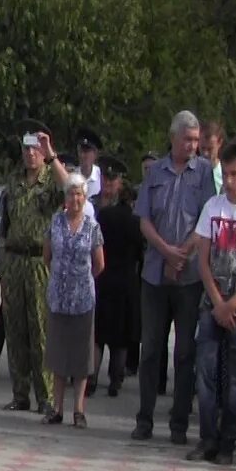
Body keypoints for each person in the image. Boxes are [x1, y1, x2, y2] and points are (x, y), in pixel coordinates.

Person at [132, 111, 213, 445]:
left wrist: (183, 253)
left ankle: (179, 424)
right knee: (150, 349)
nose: (192, 146)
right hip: (154, 274)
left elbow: (207, 218)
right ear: (173, 138)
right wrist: (166, 250)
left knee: (184, 352)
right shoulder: (155, 173)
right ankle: (144, 420)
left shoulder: (205, 173)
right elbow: (144, 220)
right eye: (187, 140)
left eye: (196, 140)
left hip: (190, 275)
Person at [188, 137, 236, 465]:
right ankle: (207, 439)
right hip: (211, 304)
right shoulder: (213, 207)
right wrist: (218, 302)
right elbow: (203, 260)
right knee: (205, 374)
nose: (231, 180)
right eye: (227, 173)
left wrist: (232, 305)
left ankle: (227, 444)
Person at [0, 122, 69, 419]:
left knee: (40, 329)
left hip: (40, 260)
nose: (30, 153)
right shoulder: (13, 182)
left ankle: (46, 396)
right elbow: (5, 224)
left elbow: (70, 189)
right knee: (15, 330)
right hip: (14, 260)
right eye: (26, 148)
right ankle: (20, 393)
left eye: (34, 148)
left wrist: (52, 156)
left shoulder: (50, 180)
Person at [43, 174, 105, 427]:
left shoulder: (92, 226)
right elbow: (47, 256)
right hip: (58, 297)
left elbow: (100, 264)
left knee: (81, 356)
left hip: (83, 299)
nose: (75, 198)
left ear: (85, 196)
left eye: (79, 193)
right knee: (58, 354)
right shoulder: (55, 222)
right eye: (71, 193)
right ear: (65, 197)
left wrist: (80, 281)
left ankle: (78, 409)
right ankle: (56, 408)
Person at [90, 155, 143, 397]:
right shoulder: (134, 221)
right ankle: (115, 380)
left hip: (102, 277)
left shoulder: (101, 216)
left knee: (99, 334)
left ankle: (91, 377)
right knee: (121, 337)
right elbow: (141, 249)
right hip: (125, 280)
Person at [76, 127, 104, 199]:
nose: (82, 155)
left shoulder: (101, 176)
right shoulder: (72, 175)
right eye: (80, 151)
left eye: (86, 152)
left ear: (95, 154)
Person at [201, 120, 225, 194]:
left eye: (210, 149)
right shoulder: (190, 172)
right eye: (202, 148)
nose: (205, 153)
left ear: (220, 143)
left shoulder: (225, 173)